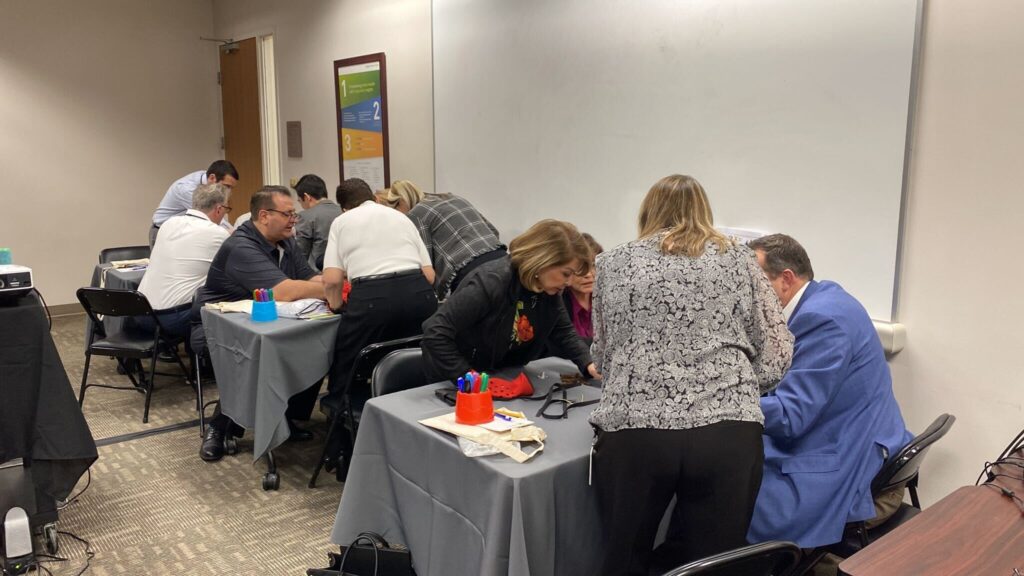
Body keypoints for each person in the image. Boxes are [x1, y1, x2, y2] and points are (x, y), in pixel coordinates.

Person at [588, 174, 793, 576]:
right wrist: (736, 385)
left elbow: (605, 355)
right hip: (727, 432)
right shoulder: (741, 261)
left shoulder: (611, 263)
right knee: (713, 565)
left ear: (647, 212)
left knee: (625, 557)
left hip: (636, 431)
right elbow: (777, 351)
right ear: (705, 212)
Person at [746, 234, 914, 557]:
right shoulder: (824, 298)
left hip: (846, 460)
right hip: (849, 436)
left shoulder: (824, 320)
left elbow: (792, 414)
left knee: (725, 493)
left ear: (786, 280)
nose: (749, 296)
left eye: (755, 284)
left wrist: (725, 403)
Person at [191, 185, 326, 462]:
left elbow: (308, 276)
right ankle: (220, 426)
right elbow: (284, 290)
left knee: (316, 341)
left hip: (264, 321)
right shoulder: (241, 246)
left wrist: (338, 284)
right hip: (219, 327)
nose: (293, 219)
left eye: (294, 214)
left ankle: (286, 418)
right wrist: (333, 289)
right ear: (264, 216)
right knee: (257, 353)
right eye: (288, 214)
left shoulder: (286, 241)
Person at [320, 178, 439, 479]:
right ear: (374, 196)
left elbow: (333, 280)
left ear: (343, 206)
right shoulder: (401, 217)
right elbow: (429, 274)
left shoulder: (343, 221)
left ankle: (344, 453)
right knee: (412, 363)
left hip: (371, 300)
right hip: (419, 297)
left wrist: (336, 307)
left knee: (348, 370)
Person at [421, 219, 600, 384]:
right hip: (454, 380)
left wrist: (588, 363)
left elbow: (563, 332)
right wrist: (469, 378)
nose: (568, 282)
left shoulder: (547, 290)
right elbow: (435, 331)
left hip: (499, 375)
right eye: (565, 274)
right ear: (543, 262)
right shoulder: (491, 282)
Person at [135, 183, 231, 338]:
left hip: (139, 314)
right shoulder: (218, 233)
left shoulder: (168, 224)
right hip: (172, 320)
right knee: (228, 297)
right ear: (219, 209)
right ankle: (208, 358)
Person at [380, 180, 505, 297]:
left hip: (470, 273)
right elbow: (493, 231)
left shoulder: (416, 215)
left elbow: (427, 270)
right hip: (503, 259)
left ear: (400, 203)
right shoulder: (454, 198)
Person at [151, 160, 238, 246]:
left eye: (231, 188)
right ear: (212, 178)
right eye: (227, 186)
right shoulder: (187, 189)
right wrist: (234, 232)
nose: (228, 192)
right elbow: (211, 217)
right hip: (162, 231)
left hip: (179, 232)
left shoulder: (208, 179)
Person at [294, 174, 341, 272]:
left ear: (307, 197)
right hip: (343, 273)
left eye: (300, 201)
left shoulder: (305, 216)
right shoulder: (344, 211)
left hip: (317, 275)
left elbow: (300, 253)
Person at [563, 233, 603, 344]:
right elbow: (563, 344)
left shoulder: (607, 299)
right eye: (581, 267)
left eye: (594, 265)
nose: (588, 274)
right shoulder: (558, 301)